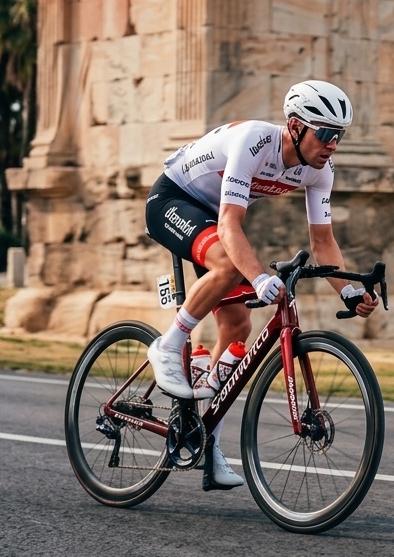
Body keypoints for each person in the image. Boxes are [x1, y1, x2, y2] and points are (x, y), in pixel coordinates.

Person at [144, 79, 378, 490]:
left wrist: (349, 291)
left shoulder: (319, 171)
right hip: (174, 200)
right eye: (325, 133)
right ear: (295, 126)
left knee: (237, 326)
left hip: (212, 218)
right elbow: (230, 223)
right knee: (229, 267)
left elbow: (322, 242)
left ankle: (205, 436)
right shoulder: (254, 142)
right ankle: (169, 344)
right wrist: (258, 276)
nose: (332, 145)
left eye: (338, 136)